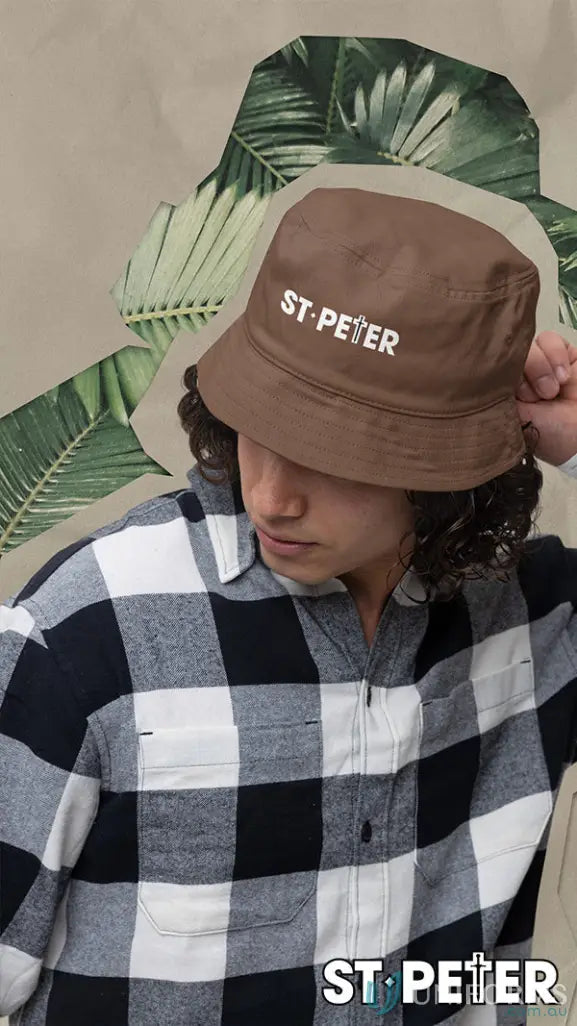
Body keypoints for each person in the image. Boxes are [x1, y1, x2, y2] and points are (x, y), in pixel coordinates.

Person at [1, 187, 577, 1026]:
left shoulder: (534, 621)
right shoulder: (89, 629)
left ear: (451, 465)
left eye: (334, 457)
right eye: (258, 424)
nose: (272, 496)